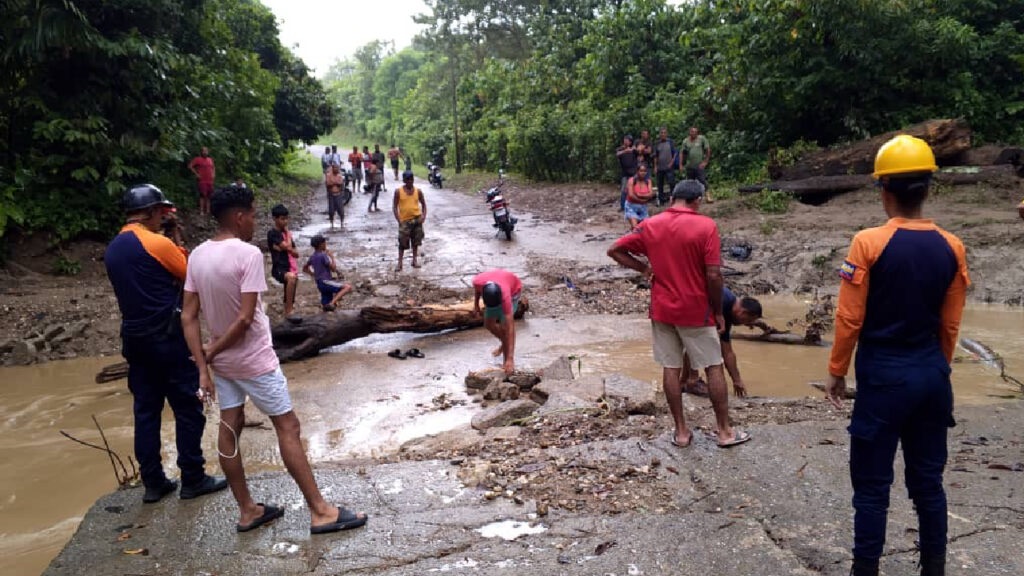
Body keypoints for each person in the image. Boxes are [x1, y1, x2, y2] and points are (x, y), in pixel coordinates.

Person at [181, 185, 368, 535]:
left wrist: (205, 361)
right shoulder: (248, 254)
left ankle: (248, 510)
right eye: (252, 214)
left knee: (229, 426)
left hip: (223, 365)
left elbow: (188, 316)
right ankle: (321, 511)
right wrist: (212, 354)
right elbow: (246, 319)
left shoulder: (197, 255)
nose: (254, 221)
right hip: (254, 360)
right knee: (288, 427)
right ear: (238, 216)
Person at [825, 135, 968, 576]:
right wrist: (937, 367)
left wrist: (836, 371)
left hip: (883, 378)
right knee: (928, 484)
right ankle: (935, 568)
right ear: (928, 189)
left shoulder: (867, 243)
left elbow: (849, 319)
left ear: (884, 190)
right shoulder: (952, 246)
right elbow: (949, 325)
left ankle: (865, 569)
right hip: (930, 376)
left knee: (871, 487)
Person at [104, 184, 227, 504]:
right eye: (162, 212)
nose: (165, 216)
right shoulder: (156, 243)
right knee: (188, 408)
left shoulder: (113, 248)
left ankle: (153, 482)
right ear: (152, 212)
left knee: (146, 412)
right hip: (168, 338)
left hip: (134, 339)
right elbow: (190, 274)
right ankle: (193, 477)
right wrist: (177, 241)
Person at [607, 180, 750, 449]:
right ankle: (724, 432)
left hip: (662, 309)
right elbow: (714, 274)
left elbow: (614, 249)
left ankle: (682, 433)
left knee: (671, 369)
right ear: (697, 200)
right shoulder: (706, 226)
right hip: (696, 310)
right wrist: (719, 310)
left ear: (673, 198)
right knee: (713, 366)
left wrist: (644, 270)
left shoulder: (650, 225)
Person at [683, 288, 761, 397]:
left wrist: (736, 380)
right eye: (747, 321)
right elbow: (696, 341)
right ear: (743, 312)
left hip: (685, 307)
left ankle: (684, 382)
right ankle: (692, 381)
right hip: (682, 305)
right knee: (703, 341)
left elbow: (727, 351)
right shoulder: (723, 302)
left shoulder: (728, 311)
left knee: (704, 341)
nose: (745, 324)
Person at [472, 269, 526, 375]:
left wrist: (510, 359)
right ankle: (505, 343)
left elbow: (511, 328)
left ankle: (507, 363)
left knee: (505, 327)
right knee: (488, 323)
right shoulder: (477, 282)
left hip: (514, 290)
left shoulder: (505, 297)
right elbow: (477, 290)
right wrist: (476, 305)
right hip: (496, 287)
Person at [303, 235, 352, 312]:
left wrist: (313, 274)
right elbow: (333, 268)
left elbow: (304, 268)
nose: (326, 244)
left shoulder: (312, 257)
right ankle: (332, 303)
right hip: (326, 281)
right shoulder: (323, 255)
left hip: (319, 283)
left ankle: (328, 308)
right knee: (347, 287)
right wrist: (332, 257)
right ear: (321, 244)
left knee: (326, 305)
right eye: (325, 243)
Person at [267, 204, 299, 317]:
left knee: (292, 280)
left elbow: (296, 253)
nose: (285, 222)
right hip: (278, 268)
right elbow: (287, 247)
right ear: (275, 219)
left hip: (290, 266)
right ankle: (289, 310)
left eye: (286, 219)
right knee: (291, 278)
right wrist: (288, 237)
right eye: (282, 219)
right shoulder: (273, 234)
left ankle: (288, 307)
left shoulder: (285, 234)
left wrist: (287, 247)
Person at [392, 170, 427, 271]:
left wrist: (423, 216)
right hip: (404, 221)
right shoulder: (398, 191)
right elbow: (394, 207)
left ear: (413, 180)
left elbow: (424, 204)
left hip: (417, 219)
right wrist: (399, 220)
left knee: (416, 241)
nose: (409, 182)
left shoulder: (418, 191)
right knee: (402, 242)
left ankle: (414, 260)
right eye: (407, 180)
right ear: (404, 180)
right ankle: (400, 263)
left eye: (411, 180)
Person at [681, 126, 713, 203]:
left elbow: (707, 150)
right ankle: (692, 199)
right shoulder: (686, 141)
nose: (693, 133)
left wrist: (705, 161)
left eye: (695, 132)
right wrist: (681, 164)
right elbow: (682, 153)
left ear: (697, 133)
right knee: (690, 182)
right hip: (689, 166)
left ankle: (708, 196)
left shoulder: (701, 139)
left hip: (699, 165)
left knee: (702, 180)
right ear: (689, 132)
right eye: (692, 131)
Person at [623, 163, 654, 230]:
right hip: (631, 206)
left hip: (643, 208)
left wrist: (640, 195)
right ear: (637, 171)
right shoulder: (631, 180)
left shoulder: (648, 181)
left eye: (644, 171)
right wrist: (642, 200)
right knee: (636, 227)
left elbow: (651, 194)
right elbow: (631, 195)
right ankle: (632, 237)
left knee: (645, 228)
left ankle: (633, 237)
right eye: (641, 171)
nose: (643, 173)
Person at [653, 127, 678, 206]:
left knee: (671, 183)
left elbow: (675, 153)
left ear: (666, 134)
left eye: (664, 133)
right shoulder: (657, 143)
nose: (663, 134)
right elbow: (655, 156)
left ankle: (673, 199)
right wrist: (655, 166)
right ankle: (661, 200)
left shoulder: (670, 142)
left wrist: (672, 162)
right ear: (660, 134)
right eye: (661, 133)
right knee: (660, 184)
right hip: (660, 167)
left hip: (669, 167)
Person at [188, 146, 215, 215]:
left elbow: (213, 167)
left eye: (206, 151)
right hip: (202, 180)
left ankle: (208, 211)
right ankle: (201, 211)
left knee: (209, 196)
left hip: (210, 181)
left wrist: (213, 174)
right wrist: (196, 174)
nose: (205, 152)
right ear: (201, 152)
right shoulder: (198, 159)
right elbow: (190, 166)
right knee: (202, 196)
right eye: (204, 151)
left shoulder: (210, 159)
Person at [616, 134, 639, 211]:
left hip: (634, 173)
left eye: (627, 140)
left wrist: (633, 149)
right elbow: (617, 154)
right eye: (625, 139)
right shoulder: (620, 149)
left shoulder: (633, 150)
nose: (626, 141)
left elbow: (638, 151)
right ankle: (622, 206)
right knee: (624, 190)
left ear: (630, 142)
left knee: (634, 190)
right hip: (625, 173)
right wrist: (625, 151)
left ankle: (634, 205)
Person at [325, 164, 345, 228]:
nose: (336, 169)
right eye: (335, 168)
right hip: (331, 195)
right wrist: (335, 183)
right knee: (331, 210)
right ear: (332, 168)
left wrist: (334, 183)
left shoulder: (339, 175)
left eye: (337, 168)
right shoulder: (328, 175)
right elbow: (328, 184)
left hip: (338, 194)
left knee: (341, 210)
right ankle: (332, 223)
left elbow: (341, 184)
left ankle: (342, 222)